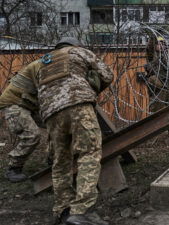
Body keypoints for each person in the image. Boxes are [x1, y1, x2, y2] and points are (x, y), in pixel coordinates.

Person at [33, 37, 113, 225]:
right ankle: (82, 211)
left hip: (50, 113)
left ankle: (63, 211)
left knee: (60, 161)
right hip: (78, 104)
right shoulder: (78, 52)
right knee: (89, 153)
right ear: (73, 45)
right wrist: (93, 85)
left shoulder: (43, 62)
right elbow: (107, 75)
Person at [0, 60, 43, 182]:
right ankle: (13, 168)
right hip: (15, 104)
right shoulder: (46, 65)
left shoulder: (52, 63)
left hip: (29, 105)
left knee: (56, 126)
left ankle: (53, 158)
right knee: (32, 135)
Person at [144, 35, 169, 116]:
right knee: (158, 110)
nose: (161, 45)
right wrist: (153, 35)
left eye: (163, 43)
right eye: (158, 43)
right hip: (159, 86)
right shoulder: (152, 56)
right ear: (154, 45)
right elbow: (150, 47)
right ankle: (159, 127)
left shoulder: (168, 55)